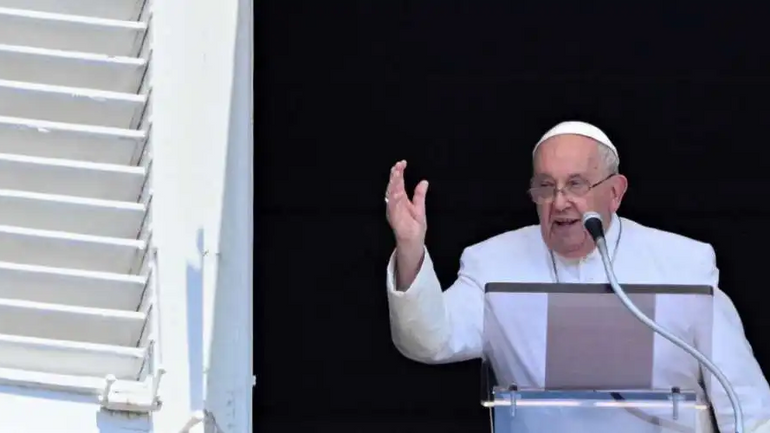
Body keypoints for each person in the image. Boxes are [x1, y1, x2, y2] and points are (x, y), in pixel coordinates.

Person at [383, 121, 770, 433]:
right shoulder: (493, 262)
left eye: (577, 184)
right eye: (545, 186)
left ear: (615, 193)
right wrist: (410, 247)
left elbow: (744, 398)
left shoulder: (684, 263)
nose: (560, 201)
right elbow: (429, 341)